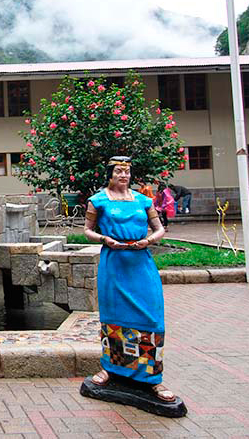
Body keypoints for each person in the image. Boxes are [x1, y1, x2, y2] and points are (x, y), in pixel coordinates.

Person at [83, 156, 174, 402]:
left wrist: (150, 241)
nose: (123, 176)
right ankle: (110, 369)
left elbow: (160, 228)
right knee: (114, 317)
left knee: (151, 316)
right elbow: (87, 230)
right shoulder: (98, 200)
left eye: (127, 172)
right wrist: (105, 239)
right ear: (110, 174)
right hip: (114, 262)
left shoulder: (144, 200)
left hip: (140, 261)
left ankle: (153, 378)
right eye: (119, 171)